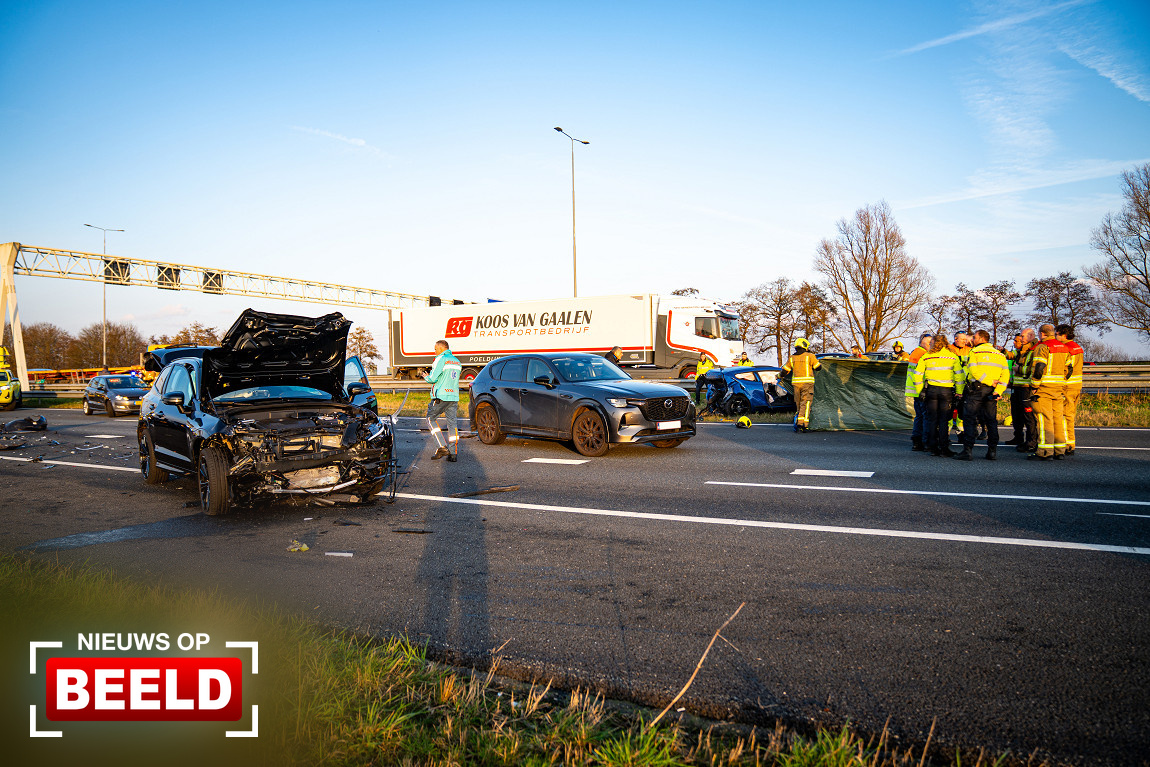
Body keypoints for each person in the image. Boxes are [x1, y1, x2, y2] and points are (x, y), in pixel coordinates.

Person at [954, 330, 1009, 461]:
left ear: (981, 338)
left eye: (975, 337)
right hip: (992, 391)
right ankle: (992, 451)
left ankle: (967, 451)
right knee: (991, 421)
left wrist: (988, 381)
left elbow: (974, 371)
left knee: (969, 419)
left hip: (976, 389)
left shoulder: (975, 352)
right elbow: (1005, 375)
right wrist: (998, 390)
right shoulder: (999, 354)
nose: (972, 339)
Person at [913, 334, 963, 457]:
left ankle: (932, 447)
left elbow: (917, 375)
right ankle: (944, 448)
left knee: (932, 420)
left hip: (931, 391)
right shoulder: (952, 357)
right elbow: (959, 376)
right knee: (944, 420)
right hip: (946, 391)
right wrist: (960, 392)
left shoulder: (926, 357)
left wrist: (920, 391)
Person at [1028, 324, 1069, 461]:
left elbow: (1039, 368)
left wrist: (1034, 385)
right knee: (1058, 419)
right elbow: (1069, 369)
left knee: (1044, 419)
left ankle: (1045, 451)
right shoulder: (1063, 347)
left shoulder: (1042, 347)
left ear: (1042, 333)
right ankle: (1060, 450)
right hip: (1058, 388)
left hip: (1044, 388)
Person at [424, 339, 463, 461]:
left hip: (441, 396)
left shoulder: (440, 359)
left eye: (435, 349)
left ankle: (441, 446)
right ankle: (453, 454)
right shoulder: (457, 361)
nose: (434, 351)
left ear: (441, 348)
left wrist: (426, 377)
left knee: (430, 419)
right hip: (453, 396)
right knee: (452, 424)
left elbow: (433, 378)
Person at [1004, 329, 1037, 452]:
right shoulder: (1020, 352)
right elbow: (1010, 355)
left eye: (1022, 337)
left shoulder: (1033, 351)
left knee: (1028, 416)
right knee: (1016, 414)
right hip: (1016, 387)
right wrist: (1002, 351)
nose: (1019, 339)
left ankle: (1031, 442)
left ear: (1030, 337)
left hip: (1026, 388)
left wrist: (1019, 369)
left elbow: (1032, 368)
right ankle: (1019, 438)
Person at [781, 338, 821, 432]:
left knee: (799, 404)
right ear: (805, 346)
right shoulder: (810, 356)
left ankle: (798, 422)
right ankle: (802, 424)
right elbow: (818, 368)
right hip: (807, 384)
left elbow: (784, 371)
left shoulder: (792, 358)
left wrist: (778, 376)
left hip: (796, 385)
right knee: (806, 404)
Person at [1057, 324, 1084, 456]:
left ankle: (1068, 444)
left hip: (1067, 386)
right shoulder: (1077, 347)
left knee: (1065, 416)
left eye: (1057, 334)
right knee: (1070, 415)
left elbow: (1065, 368)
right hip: (1076, 385)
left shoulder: (1066, 348)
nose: (1056, 337)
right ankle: (1069, 442)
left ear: (1064, 335)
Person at [904, 332, 932, 451]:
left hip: (916, 389)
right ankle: (923, 441)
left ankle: (917, 441)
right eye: (929, 343)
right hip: (921, 390)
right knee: (924, 416)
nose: (931, 345)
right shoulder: (922, 354)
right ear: (922, 342)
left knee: (919, 416)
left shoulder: (915, 352)